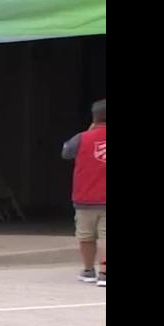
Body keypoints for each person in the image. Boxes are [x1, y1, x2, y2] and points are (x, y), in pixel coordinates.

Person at [60, 99, 106, 287]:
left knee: (86, 236)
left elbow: (66, 153)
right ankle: (104, 272)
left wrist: (89, 131)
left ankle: (88, 270)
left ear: (94, 117)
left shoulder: (81, 138)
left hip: (85, 197)